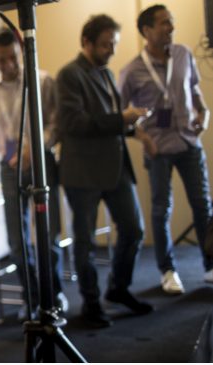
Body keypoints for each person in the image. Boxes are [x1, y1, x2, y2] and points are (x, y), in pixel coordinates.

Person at [0, 27, 68, 319]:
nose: (8, 65)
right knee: (17, 241)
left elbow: (56, 124)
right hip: (10, 169)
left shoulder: (42, 80)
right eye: (1, 60)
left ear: (21, 52)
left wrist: (36, 146)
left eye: (12, 58)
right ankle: (31, 300)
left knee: (49, 235)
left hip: (42, 164)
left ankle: (54, 294)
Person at [56, 14, 154, 328]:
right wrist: (122, 119)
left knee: (134, 229)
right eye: (105, 44)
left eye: (114, 43)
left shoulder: (108, 73)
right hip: (82, 172)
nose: (111, 49)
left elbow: (108, 122)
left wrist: (132, 129)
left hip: (115, 168)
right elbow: (74, 124)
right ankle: (91, 303)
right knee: (84, 243)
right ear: (86, 42)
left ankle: (118, 289)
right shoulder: (69, 75)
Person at [119, 4, 213, 295]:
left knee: (203, 205)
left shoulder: (184, 54)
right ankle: (167, 270)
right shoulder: (132, 70)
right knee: (161, 210)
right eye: (164, 24)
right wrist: (142, 137)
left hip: (188, 142)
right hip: (158, 148)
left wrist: (204, 114)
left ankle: (210, 265)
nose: (171, 28)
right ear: (147, 30)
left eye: (171, 23)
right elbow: (119, 116)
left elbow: (195, 91)